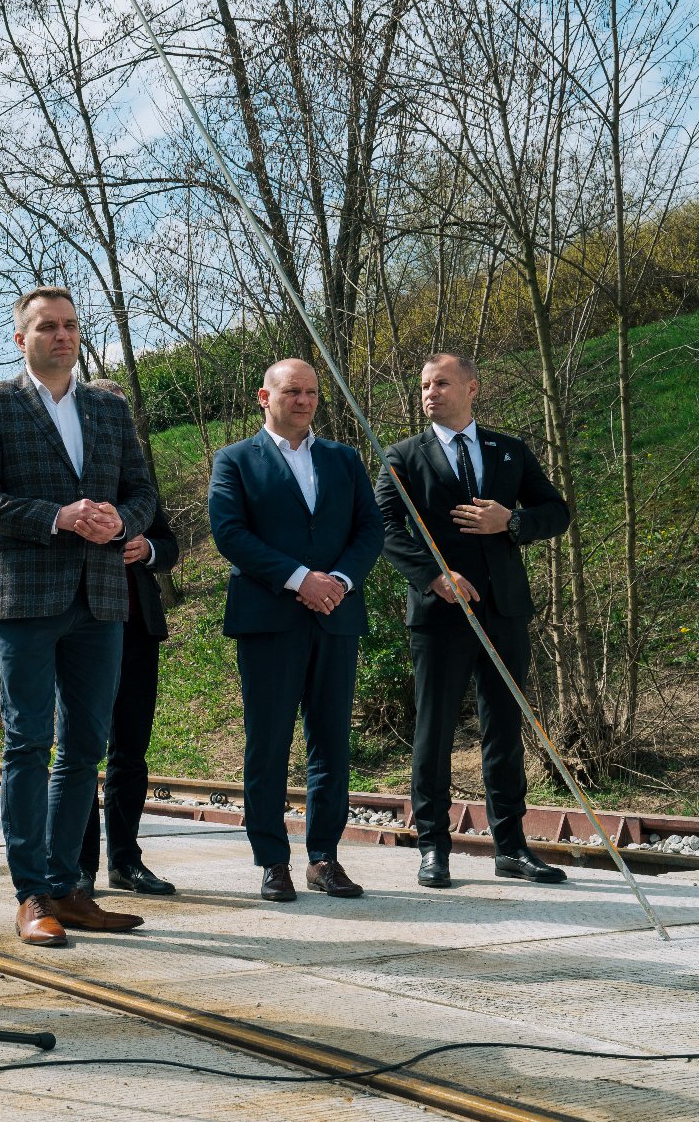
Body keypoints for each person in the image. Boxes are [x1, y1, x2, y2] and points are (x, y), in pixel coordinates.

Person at [0, 288, 160, 946]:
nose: (62, 335)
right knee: (26, 744)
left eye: (71, 325)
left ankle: (70, 887)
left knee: (84, 749)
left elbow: (141, 491)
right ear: (21, 339)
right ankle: (30, 895)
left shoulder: (107, 405)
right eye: (47, 326)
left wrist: (117, 521)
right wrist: (58, 516)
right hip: (26, 596)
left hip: (100, 596)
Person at [375, 353, 571, 889]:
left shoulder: (509, 451)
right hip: (440, 614)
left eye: (441, 382)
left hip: (504, 609)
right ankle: (432, 848)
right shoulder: (403, 457)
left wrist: (512, 523)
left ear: (472, 387)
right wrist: (434, 576)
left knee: (503, 729)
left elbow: (557, 511)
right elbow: (385, 528)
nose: (430, 392)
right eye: (423, 385)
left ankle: (511, 847)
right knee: (433, 732)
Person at [207, 358, 382, 902]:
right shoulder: (235, 460)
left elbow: (369, 528)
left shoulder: (343, 459)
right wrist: (300, 579)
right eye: (291, 391)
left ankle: (324, 858)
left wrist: (342, 582)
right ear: (265, 396)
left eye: (311, 392)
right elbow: (230, 533)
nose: (303, 400)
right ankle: (272, 860)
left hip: (336, 616)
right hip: (269, 620)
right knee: (269, 742)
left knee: (331, 741)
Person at [75, 379, 180, 898]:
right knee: (80, 747)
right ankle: (79, 866)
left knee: (130, 751)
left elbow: (170, 543)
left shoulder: (135, 482)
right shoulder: (68, 471)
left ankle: (126, 861)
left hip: (138, 628)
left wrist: (148, 549)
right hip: (83, 627)